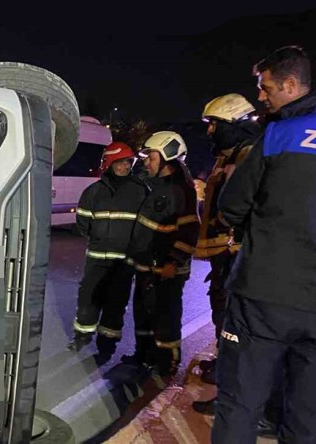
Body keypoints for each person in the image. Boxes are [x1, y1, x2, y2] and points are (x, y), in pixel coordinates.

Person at [213, 45, 316, 443]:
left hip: (263, 296)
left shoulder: (279, 134)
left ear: (291, 85)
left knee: (240, 404)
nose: (260, 96)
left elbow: (231, 206)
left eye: (265, 86)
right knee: (307, 417)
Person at [191, 94, 259, 391]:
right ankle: (223, 361)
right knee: (221, 308)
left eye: (215, 124)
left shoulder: (247, 157)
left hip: (235, 251)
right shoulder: (227, 158)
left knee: (231, 315)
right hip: (224, 251)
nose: (209, 131)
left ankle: (230, 375)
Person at [122, 131, 200, 378]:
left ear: (167, 157)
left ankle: (167, 363)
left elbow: (190, 231)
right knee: (143, 314)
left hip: (166, 270)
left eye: (151, 157)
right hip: (146, 266)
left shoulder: (181, 191)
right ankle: (143, 356)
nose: (146, 162)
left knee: (165, 317)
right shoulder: (157, 186)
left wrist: (173, 263)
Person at [67, 142, 148, 363]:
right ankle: (82, 336)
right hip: (96, 259)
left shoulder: (140, 191)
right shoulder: (93, 192)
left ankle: (106, 347)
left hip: (123, 262)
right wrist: (100, 237)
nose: (125, 167)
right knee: (88, 301)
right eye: (120, 163)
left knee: (115, 305)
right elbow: (82, 223)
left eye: (128, 163)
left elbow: (144, 226)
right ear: (109, 164)